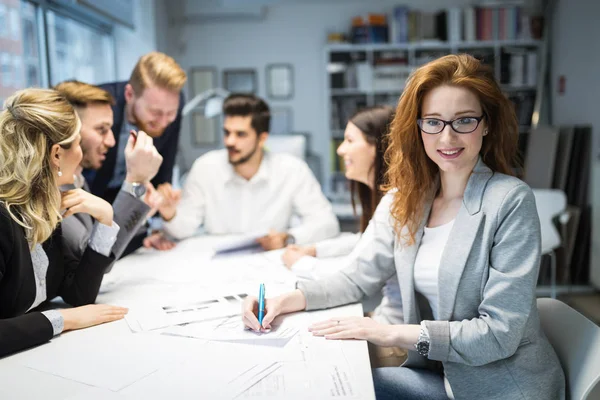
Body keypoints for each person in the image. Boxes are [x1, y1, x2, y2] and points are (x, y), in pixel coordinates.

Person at [243, 54, 566, 399]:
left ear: (486, 124)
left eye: (464, 121)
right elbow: (356, 277)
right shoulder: (407, 199)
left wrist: (391, 333)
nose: (447, 137)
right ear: (418, 126)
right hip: (439, 377)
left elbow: (498, 334)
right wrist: (286, 300)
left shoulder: (510, 201)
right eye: (433, 122)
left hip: (499, 387)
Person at [0, 89, 128, 358]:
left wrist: (105, 220)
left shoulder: (43, 208)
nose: (81, 154)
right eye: (78, 143)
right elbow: (76, 311)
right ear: (57, 154)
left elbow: (79, 294)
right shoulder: (3, 220)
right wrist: (64, 320)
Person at [282, 106, 405, 367]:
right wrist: (314, 250)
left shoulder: (396, 201)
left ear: (379, 146)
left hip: (394, 337)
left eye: (350, 141)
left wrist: (300, 264)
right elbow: (364, 239)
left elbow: (354, 275)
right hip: (385, 323)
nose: (340, 149)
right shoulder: (387, 198)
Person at [158, 94, 339, 250]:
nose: (230, 141)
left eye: (240, 134)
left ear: (262, 139)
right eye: (227, 132)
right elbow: (185, 227)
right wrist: (169, 213)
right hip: (216, 266)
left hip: (270, 263)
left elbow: (327, 224)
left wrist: (288, 238)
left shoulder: (292, 170)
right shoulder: (205, 167)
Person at [54, 80, 166, 265]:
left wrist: (142, 213)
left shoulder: (78, 180)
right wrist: (134, 181)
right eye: (101, 130)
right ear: (68, 132)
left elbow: (103, 249)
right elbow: (89, 262)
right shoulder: (54, 189)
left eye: (110, 130)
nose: (112, 142)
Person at [84, 52, 186, 253]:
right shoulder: (97, 104)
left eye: (170, 114)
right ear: (129, 94)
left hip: (131, 214)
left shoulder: (170, 104)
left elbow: (164, 164)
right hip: (90, 206)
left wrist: (155, 225)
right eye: (155, 113)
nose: (164, 121)